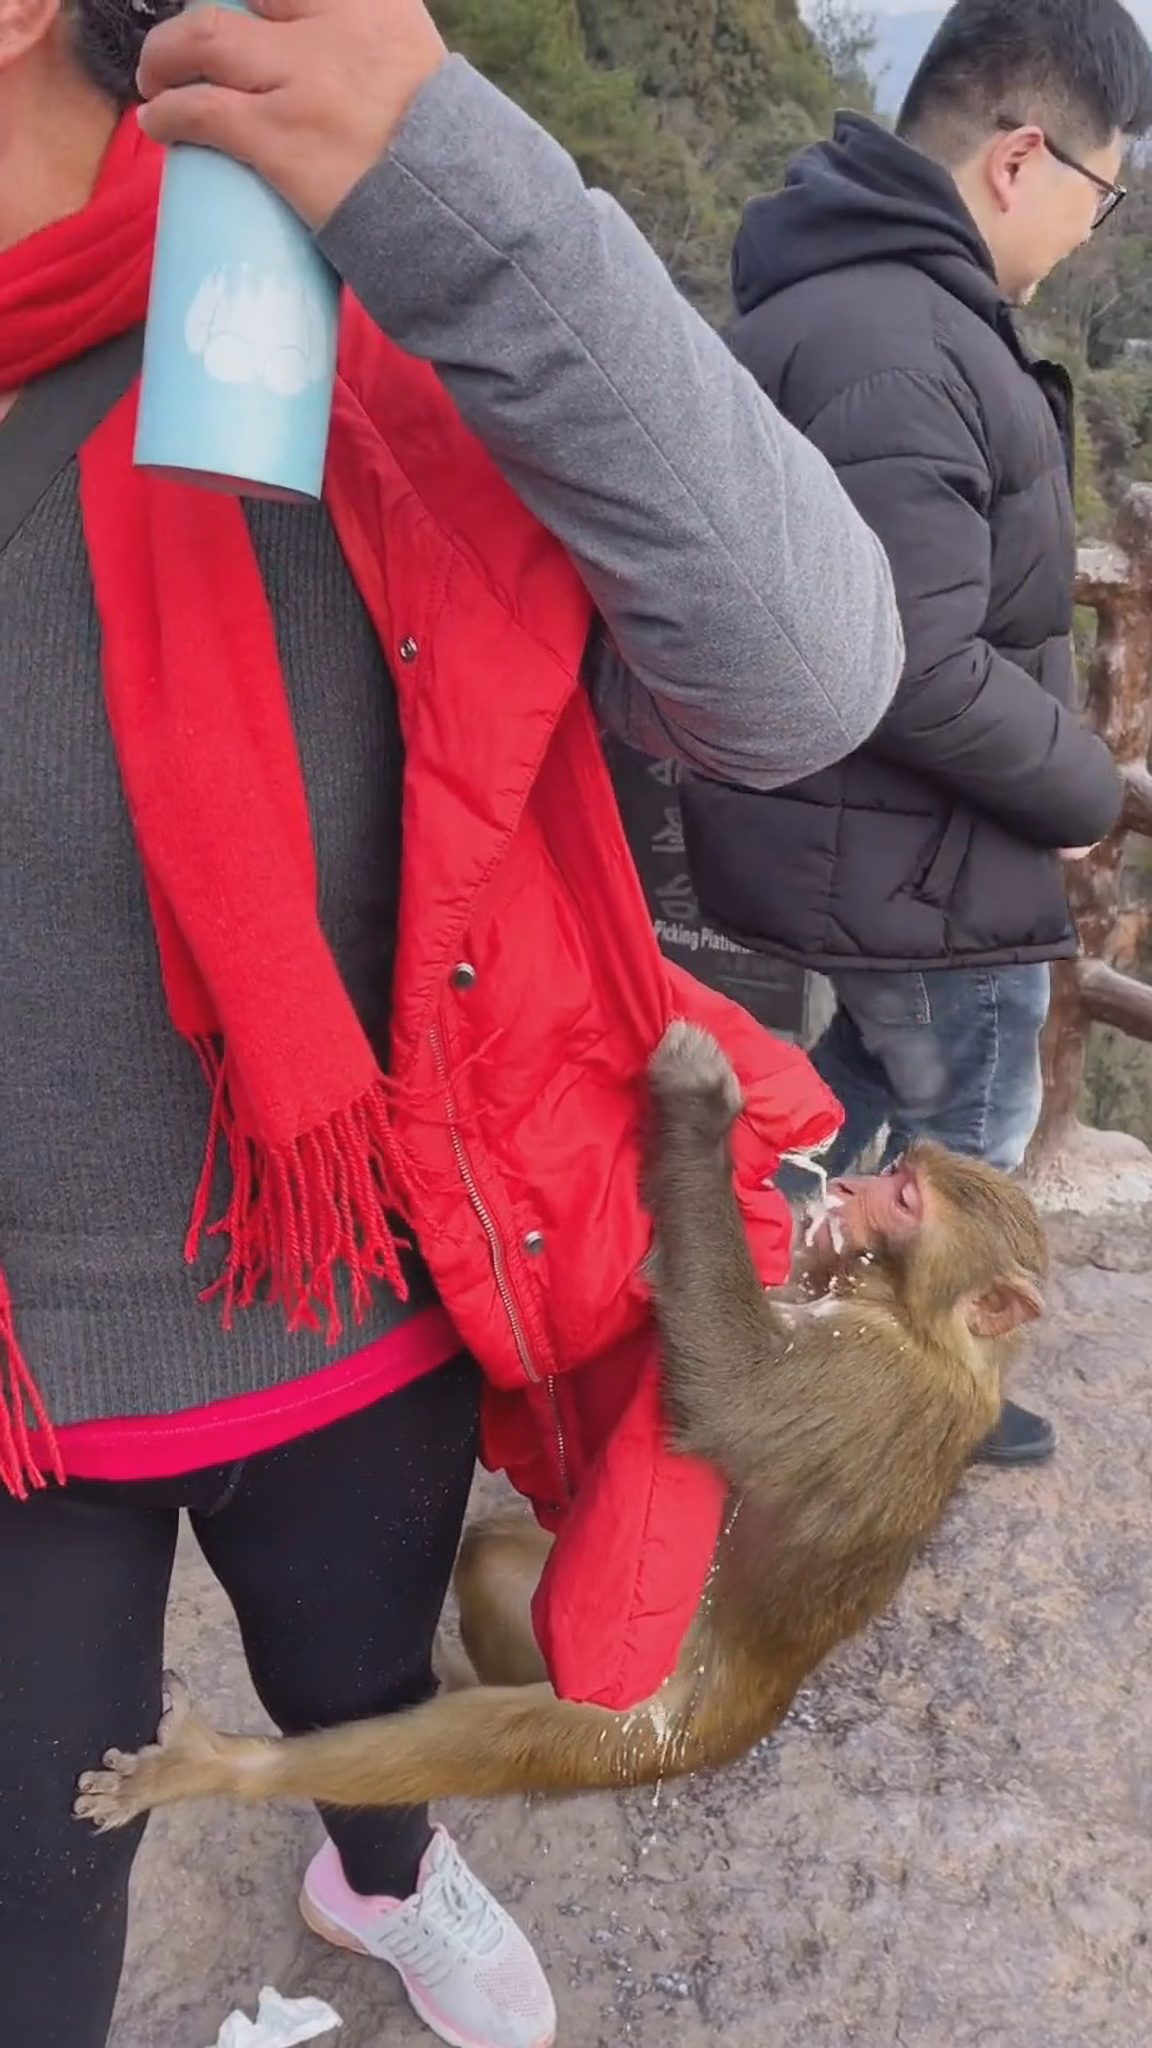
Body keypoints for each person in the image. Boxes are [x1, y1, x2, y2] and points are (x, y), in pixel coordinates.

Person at [0, 0, 903, 2043]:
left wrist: (435, 166)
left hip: (360, 1291)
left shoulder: (305, 293)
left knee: (373, 1686)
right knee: (40, 1885)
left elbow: (807, 677)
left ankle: (384, 1872)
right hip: (18, 1382)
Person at [680, 0, 1152, 1468]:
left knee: (859, 1111)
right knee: (962, 1150)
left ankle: (786, 1349)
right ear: (1023, 160)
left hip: (857, 851)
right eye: (1106, 189)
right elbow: (920, 662)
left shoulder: (837, 302)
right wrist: (1086, 792)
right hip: (924, 872)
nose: (1096, 225)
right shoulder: (903, 343)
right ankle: (907, 1409)